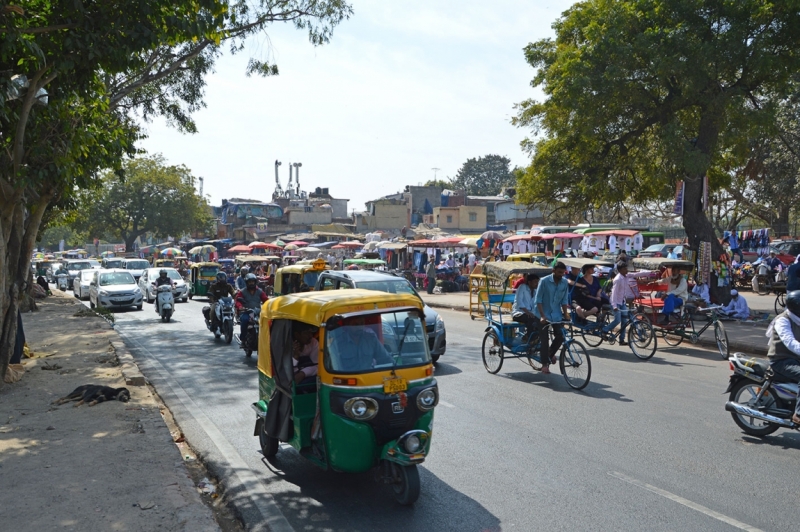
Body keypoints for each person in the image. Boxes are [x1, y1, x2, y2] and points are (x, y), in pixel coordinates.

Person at [767, 290, 800, 424]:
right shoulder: (783, 320)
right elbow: (790, 342)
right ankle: (798, 414)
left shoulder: (797, 319)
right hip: (781, 360)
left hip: (794, 358)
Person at [533, 262, 571, 374]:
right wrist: (542, 316)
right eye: (559, 272)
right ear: (553, 270)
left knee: (560, 335)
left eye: (563, 273)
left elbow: (564, 300)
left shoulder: (564, 282)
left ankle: (549, 353)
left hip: (556, 315)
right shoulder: (544, 281)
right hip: (541, 314)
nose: (561, 275)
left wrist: (565, 314)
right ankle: (545, 364)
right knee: (544, 339)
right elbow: (538, 300)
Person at [604, 262, 651, 345]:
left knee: (624, 321)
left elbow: (636, 274)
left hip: (622, 302)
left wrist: (651, 273)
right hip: (615, 303)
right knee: (617, 320)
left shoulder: (626, 276)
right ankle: (605, 330)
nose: (627, 270)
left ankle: (621, 340)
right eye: (625, 268)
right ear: (620, 270)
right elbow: (614, 294)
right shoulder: (618, 279)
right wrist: (614, 306)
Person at [327, 316, 392, 371]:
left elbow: (386, 359)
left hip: (369, 378)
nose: (359, 327)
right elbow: (335, 368)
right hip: (348, 381)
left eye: (361, 323)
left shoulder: (371, 339)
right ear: (347, 325)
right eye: (355, 324)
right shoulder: (338, 343)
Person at [235, 273, 268, 345]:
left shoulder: (260, 291)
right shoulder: (242, 291)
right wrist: (240, 307)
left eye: (253, 282)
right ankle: (243, 339)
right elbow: (237, 301)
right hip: (246, 312)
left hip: (257, 312)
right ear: (247, 282)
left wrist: (269, 305)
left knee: (267, 322)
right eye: (250, 282)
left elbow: (266, 300)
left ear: (255, 282)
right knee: (245, 320)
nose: (251, 283)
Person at [512, 274, 540, 342]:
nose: (537, 284)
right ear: (529, 282)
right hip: (519, 313)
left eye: (538, 282)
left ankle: (535, 337)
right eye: (535, 282)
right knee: (531, 318)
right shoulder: (522, 287)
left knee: (540, 320)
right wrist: (528, 312)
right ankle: (529, 337)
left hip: (530, 313)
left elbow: (537, 304)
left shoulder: (535, 291)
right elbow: (519, 301)